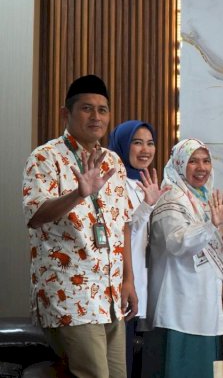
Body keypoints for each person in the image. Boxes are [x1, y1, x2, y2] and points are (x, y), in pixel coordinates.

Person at [22, 74, 136, 377]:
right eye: (87, 108)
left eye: (103, 110)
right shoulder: (45, 158)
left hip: (110, 294)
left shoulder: (114, 162)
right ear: (66, 113)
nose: (96, 116)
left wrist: (129, 280)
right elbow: (35, 215)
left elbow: (122, 223)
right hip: (71, 297)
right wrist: (78, 194)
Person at [142, 138, 223, 378]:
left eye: (205, 161)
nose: (201, 167)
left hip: (206, 300)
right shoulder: (170, 198)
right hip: (179, 301)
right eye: (193, 161)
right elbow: (177, 243)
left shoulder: (206, 198)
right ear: (180, 163)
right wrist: (210, 225)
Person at [108, 120, 168, 377]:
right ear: (122, 145)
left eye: (150, 143)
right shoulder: (113, 183)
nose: (145, 149)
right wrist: (147, 206)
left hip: (141, 283)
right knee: (120, 362)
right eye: (137, 142)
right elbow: (123, 235)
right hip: (120, 283)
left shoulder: (145, 183)